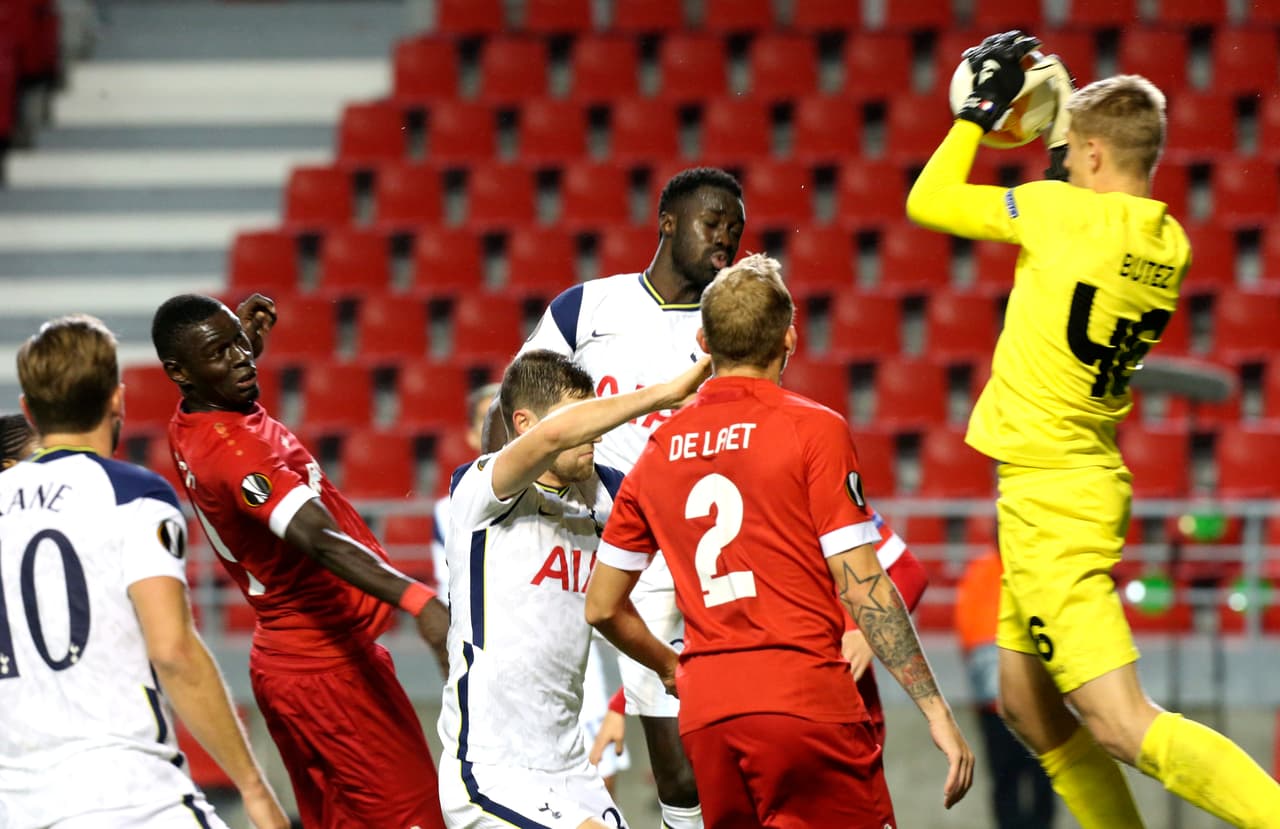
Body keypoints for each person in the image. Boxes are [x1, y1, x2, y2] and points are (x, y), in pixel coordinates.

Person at [906, 30, 1280, 828]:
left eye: (1071, 154)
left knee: (1120, 722)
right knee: (1027, 706)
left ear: (1097, 158)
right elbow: (1075, 192)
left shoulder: (1055, 214)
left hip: (1050, 500)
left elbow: (927, 199)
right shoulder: (1167, 242)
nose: (1061, 161)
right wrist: (1060, 118)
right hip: (1078, 477)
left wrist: (976, 113)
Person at [516, 166, 931, 825]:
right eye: (714, 225)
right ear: (667, 223)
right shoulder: (585, 309)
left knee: (706, 763)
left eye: (735, 233)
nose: (725, 242)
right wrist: (497, 485)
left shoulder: (727, 328)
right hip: (623, 551)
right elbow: (524, 407)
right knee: (675, 769)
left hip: (699, 553)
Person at [585, 255, 974, 828]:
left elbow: (600, 606)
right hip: (805, 703)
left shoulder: (659, 449)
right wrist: (935, 712)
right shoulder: (813, 429)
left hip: (709, 716)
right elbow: (865, 583)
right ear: (790, 337)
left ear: (703, 342)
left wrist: (674, 670)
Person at [150, 293, 449, 829]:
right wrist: (418, 599)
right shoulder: (239, 455)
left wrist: (233, 348)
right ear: (180, 373)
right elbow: (321, 540)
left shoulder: (191, 420)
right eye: (221, 353)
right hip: (328, 671)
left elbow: (224, 399)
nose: (241, 359)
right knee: (416, 818)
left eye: (239, 345)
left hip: (286, 662)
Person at [0, 314, 288, 829]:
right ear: (117, 399)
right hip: (127, 795)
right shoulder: (132, 493)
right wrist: (253, 786)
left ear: (29, 410)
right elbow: (172, 651)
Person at [438, 349, 709, 829]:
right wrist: (667, 394)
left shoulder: (601, 497)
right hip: (491, 769)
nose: (596, 434)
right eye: (581, 420)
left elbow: (613, 605)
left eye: (593, 417)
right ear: (525, 424)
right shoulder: (479, 492)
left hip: (570, 769)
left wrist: (671, 668)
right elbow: (557, 434)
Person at [434, 382, 632, 791]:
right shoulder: (461, 502)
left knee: (598, 783)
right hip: (502, 689)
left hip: (578, 663)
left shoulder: (594, 493)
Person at [955, 549, 1056, 828]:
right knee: (1008, 778)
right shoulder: (981, 572)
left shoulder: (1037, 567)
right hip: (998, 702)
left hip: (1032, 700)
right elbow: (968, 630)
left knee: (1040, 777)